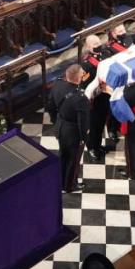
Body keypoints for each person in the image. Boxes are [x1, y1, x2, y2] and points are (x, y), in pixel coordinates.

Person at [46, 64, 90, 192]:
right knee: (73, 160)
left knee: (63, 155)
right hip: (73, 132)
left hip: (60, 126)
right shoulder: (80, 98)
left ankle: (60, 180)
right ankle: (70, 185)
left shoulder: (57, 85)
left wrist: (56, 121)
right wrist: (83, 138)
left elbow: (50, 106)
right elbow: (83, 121)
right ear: (79, 78)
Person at [81, 35, 113, 162]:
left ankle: (98, 146)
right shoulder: (86, 65)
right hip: (94, 100)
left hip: (105, 95)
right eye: (94, 44)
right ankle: (92, 148)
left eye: (99, 42)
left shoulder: (105, 53)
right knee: (93, 125)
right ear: (88, 47)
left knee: (100, 124)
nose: (98, 45)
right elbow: (83, 85)